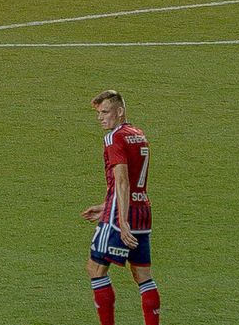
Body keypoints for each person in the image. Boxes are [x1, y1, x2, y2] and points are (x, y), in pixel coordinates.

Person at [88, 87, 160, 324]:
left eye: (106, 112)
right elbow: (136, 182)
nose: (101, 118)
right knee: (143, 275)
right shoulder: (138, 134)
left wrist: (122, 219)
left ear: (120, 111)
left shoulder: (114, 137)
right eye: (99, 113)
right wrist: (105, 205)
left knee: (96, 270)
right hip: (143, 211)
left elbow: (122, 179)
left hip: (122, 215)